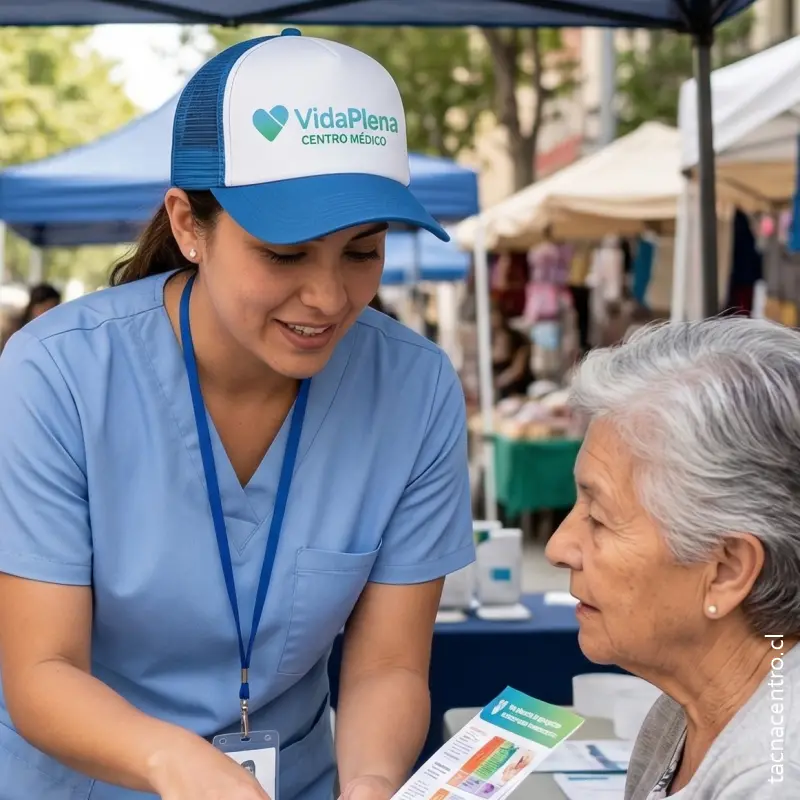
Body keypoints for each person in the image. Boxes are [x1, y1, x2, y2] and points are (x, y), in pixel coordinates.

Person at [0, 31, 474, 800]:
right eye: (286, 254)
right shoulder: (54, 374)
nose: (327, 298)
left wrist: (372, 784)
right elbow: (41, 670)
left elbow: (388, 664)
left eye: (363, 251)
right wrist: (179, 765)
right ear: (189, 224)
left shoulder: (414, 389)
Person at [546, 318, 800, 799]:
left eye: (598, 518)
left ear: (725, 571)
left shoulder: (776, 776)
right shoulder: (689, 709)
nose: (558, 548)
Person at [0, 282, 61, 351]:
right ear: (33, 307)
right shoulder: (16, 330)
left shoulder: (57, 333)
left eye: (54, 309)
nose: (49, 314)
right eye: (45, 309)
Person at [491, 303, 533, 400]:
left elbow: (518, 369)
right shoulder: (487, 341)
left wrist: (499, 382)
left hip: (517, 390)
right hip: (497, 392)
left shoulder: (519, 339)